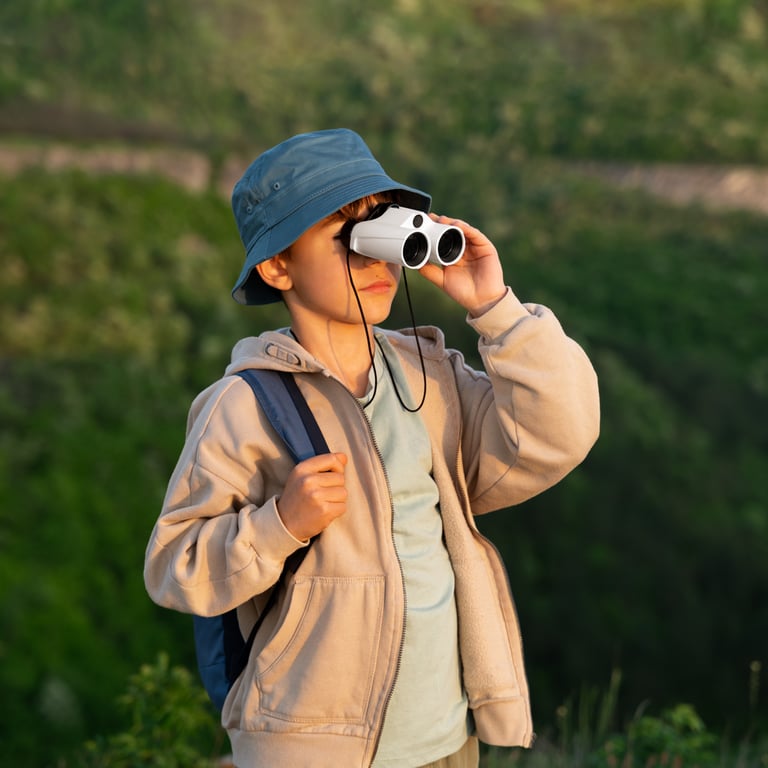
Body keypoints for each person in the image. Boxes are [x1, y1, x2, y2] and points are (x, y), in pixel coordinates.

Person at [144, 128, 600, 768]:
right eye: (347, 236)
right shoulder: (243, 405)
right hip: (314, 746)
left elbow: (560, 433)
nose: (375, 258)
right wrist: (280, 525)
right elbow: (175, 566)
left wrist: (494, 307)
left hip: (448, 740)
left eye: (382, 228)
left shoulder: (428, 376)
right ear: (277, 267)